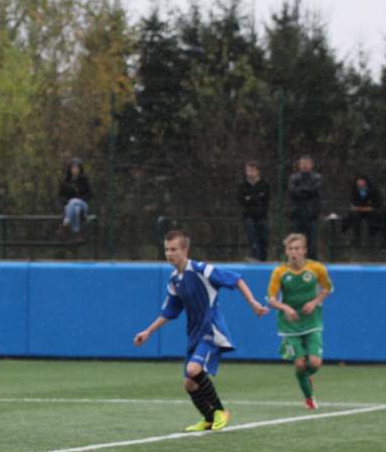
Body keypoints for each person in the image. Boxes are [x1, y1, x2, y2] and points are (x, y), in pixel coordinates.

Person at [133, 230, 269, 431]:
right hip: (194, 334)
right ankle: (208, 418)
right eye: (166, 249)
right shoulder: (174, 280)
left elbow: (235, 279)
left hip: (211, 329)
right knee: (189, 384)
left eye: (174, 249)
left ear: (185, 250)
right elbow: (169, 312)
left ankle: (220, 411)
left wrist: (253, 302)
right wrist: (148, 331)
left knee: (193, 370)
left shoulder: (201, 269)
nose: (169, 254)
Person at [266, 233, 333, 410]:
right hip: (290, 324)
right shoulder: (279, 272)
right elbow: (271, 299)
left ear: (304, 250)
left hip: (312, 322)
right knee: (300, 363)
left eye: (297, 248)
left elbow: (327, 288)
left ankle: (305, 376)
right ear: (286, 251)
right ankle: (308, 397)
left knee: (314, 363)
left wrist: (314, 302)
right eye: (290, 249)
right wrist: (286, 308)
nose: (294, 252)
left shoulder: (316, 268)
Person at [287, 155, 322, 259]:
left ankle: (312, 261)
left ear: (311, 165)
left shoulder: (317, 177)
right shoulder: (293, 178)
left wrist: (302, 190)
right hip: (297, 214)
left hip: (311, 214)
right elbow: (293, 192)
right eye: (303, 163)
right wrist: (306, 191)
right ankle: (295, 260)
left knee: (312, 241)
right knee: (295, 241)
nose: (305, 166)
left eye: (307, 164)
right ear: (299, 165)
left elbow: (315, 191)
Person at [237, 161, 271, 261]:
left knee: (264, 240)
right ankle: (256, 259)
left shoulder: (264, 184)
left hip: (262, 216)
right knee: (252, 239)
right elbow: (242, 200)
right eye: (248, 171)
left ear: (257, 171)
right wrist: (256, 198)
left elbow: (266, 199)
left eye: (252, 170)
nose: (250, 173)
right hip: (249, 216)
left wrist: (251, 198)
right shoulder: (243, 185)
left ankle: (263, 260)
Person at [343, 175, 382, 245]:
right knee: (354, 216)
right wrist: (360, 208)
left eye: (362, 184)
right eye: (358, 184)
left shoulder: (373, 190)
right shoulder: (354, 190)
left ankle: (372, 238)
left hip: (372, 212)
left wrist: (365, 208)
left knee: (374, 217)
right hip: (359, 212)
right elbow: (352, 204)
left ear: (366, 183)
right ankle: (356, 238)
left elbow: (376, 204)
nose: (360, 186)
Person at [58, 157, 92, 236]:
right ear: (70, 169)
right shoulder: (65, 181)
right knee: (76, 209)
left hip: (83, 205)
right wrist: (66, 202)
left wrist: (80, 199)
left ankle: (65, 223)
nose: (75, 170)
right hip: (70, 207)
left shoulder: (84, 180)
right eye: (73, 168)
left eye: (77, 168)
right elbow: (61, 196)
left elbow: (90, 194)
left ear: (80, 169)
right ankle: (77, 234)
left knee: (74, 201)